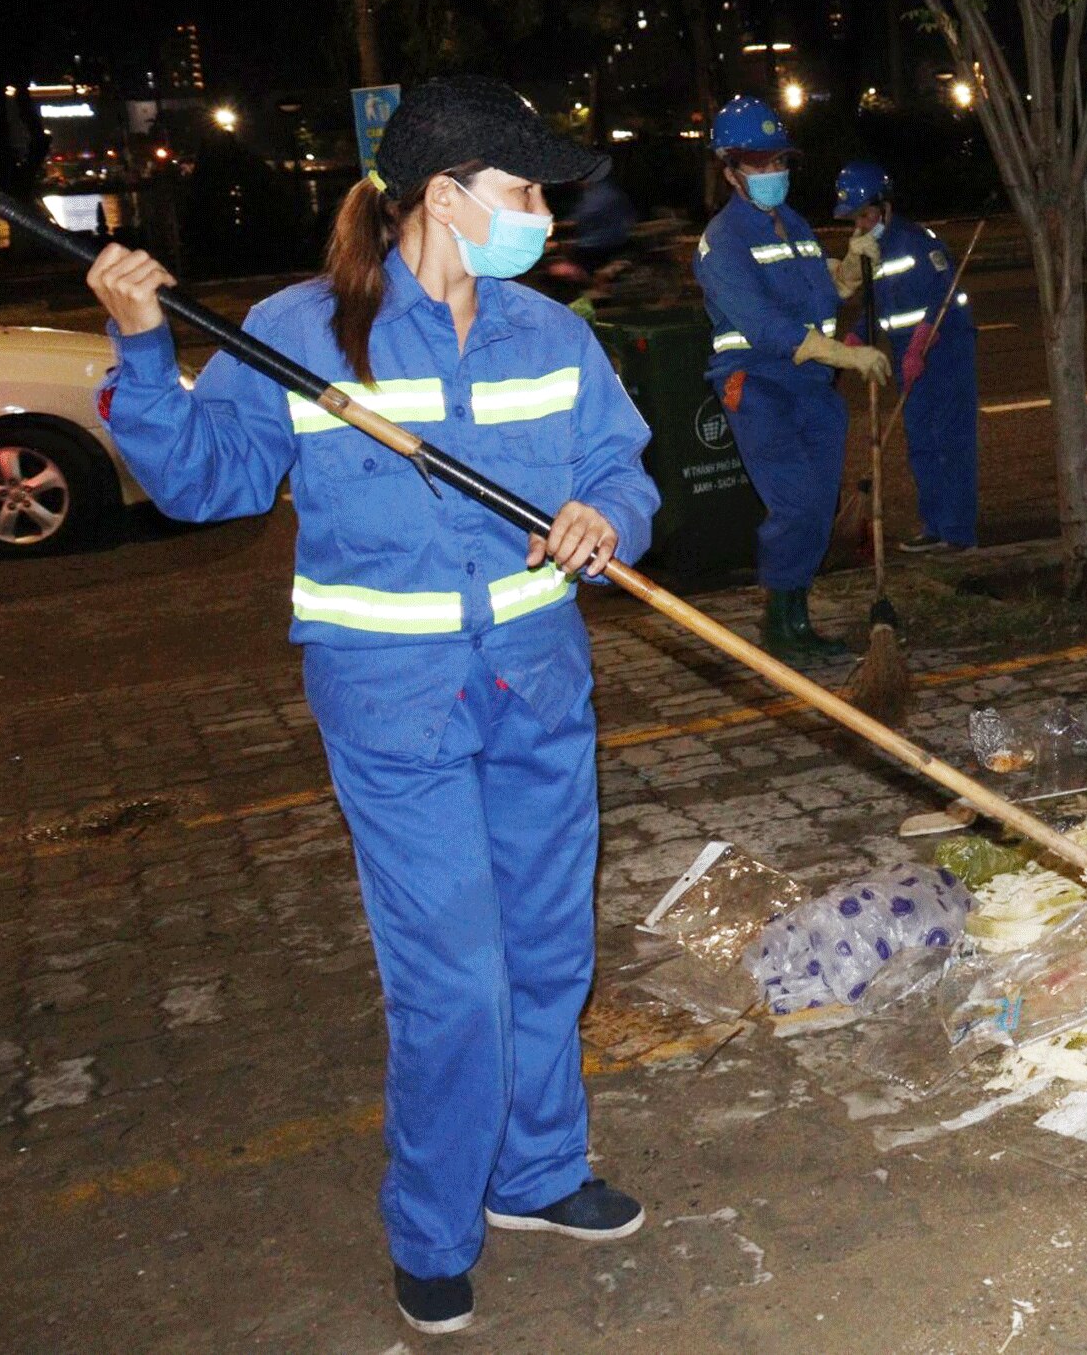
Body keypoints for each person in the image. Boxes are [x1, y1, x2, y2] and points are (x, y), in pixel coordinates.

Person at [84, 76, 661, 1335]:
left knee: (551, 950)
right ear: (445, 196)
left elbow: (620, 459)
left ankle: (538, 1171)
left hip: (537, 686)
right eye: (522, 191)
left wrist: (609, 511)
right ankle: (434, 1224)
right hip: (395, 703)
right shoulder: (300, 329)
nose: (540, 215)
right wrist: (141, 350)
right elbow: (206, 482)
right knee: (454, 975)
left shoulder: (549, 334)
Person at [694, 96, 888, 659]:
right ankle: (781, 625)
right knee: (798, 504)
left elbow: (821, 288)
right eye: (758, 162)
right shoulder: (722, 243)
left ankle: (796, 617)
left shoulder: (794, 223)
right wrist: (849, 357)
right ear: (729, 170)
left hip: (810, 392)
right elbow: (769, 327)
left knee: (817, 506)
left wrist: (850, 268)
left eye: (778, 159)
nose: (772, 172)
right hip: (758, 386)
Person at [833, 159, 978, 552]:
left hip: (945, 351)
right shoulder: (871, 250)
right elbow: (874, 305)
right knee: (921, 441)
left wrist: (918, 348)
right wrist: (850, 342)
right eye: (854, 218)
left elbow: (940, 300)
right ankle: (935, 526)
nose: (860, 224)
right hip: (906, 353)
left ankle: (959, 533)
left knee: (951, 442)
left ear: (884, 206)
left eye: (865, 214)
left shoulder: (918, 242)